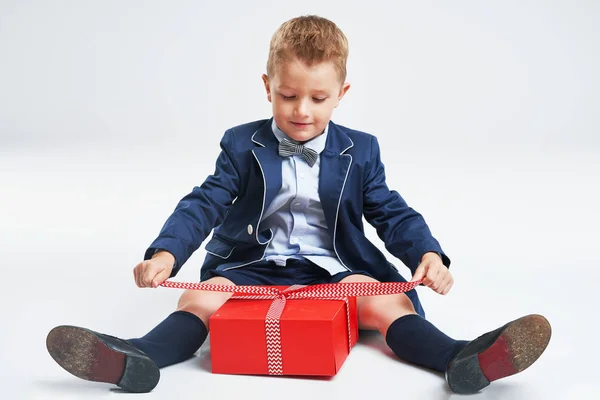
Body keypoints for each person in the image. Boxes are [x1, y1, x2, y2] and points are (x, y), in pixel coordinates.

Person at [46, 15, 551, 394]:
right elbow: (204, 203)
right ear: (267, 88)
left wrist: (429, 254)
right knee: (201, 298)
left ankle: (458, 358)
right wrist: (165, 255)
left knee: (384, 300)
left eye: (317, 98)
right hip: (252, 266)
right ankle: (140, 357)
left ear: (341, 94)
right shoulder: (242, 144)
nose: (302, 111)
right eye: (288, 96)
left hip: (333, 270)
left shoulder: (361, 149)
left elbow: (391, 212)